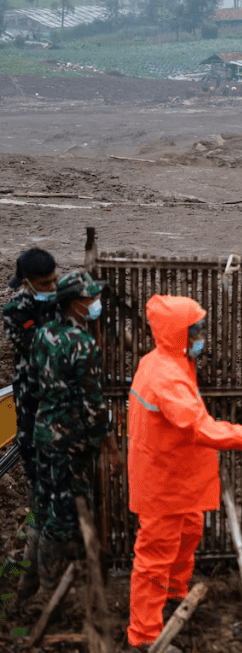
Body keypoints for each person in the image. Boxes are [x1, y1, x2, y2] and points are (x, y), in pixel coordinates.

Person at [127, 295, 242, 650]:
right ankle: (145, 635)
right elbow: (196, 426)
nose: (202, 337)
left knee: (189, 531)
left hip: (176, 475)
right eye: (196, 330)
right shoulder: (166, 375)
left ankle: (174, 594)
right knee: (154, 556)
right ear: (179, 334)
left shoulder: (173, 362)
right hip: (163, 482)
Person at [28, 271, 121, 591]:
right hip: (70, 441)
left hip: (44, 433)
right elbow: (94, 404)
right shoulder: (83, 344)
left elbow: (35, 383)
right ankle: (50, 587)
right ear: (77, 304)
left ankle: (26, 579)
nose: (96, 303)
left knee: (42, 506)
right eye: (91, 298)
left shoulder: (43, 335)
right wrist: (110, 446)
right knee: (65, 515)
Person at [2, 248, 58, 598]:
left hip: (59, 415)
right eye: (45, 284)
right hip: (34, 417)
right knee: (44, 498)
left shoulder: (54, 301)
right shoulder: (16, 312)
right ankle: (34, 577)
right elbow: (46, 344)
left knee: (50, 500)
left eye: (55, 281)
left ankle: (32, 572)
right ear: (26, 283)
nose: (52, 287)